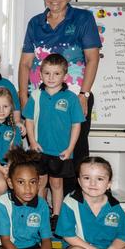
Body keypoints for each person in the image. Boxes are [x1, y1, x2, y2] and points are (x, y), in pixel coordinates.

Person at [18, 0, 101, 196]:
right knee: (40, 152)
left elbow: (92, 58)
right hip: (40, 98)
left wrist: (84, 94)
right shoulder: (35, 23)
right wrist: (24, 99)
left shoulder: (83, 19)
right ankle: (41, 207)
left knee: (76, 148)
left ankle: (76, 200)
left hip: (74, 95)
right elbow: (25, 64)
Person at [0, 148, 83, 249]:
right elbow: (5, 241)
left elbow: (46, 239)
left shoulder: (41, 204)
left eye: (33, 182)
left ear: (39, 183)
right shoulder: (3, 203)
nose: (28, 188)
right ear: (10, 183)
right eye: (21, 182)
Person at [23, 54, 84, 221]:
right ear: (40, 74)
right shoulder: (36, 96)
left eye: (56, 74)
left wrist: (70, 148)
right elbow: (28, 120)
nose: (51, 77)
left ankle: (56, 215)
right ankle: (41, 214)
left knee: (56, 184)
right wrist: (33, 141)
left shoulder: (71, 98)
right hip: (39, 149)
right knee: (40, 183)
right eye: (47, 73)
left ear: (65, 76)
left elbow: (76, 125)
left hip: (61, 151)